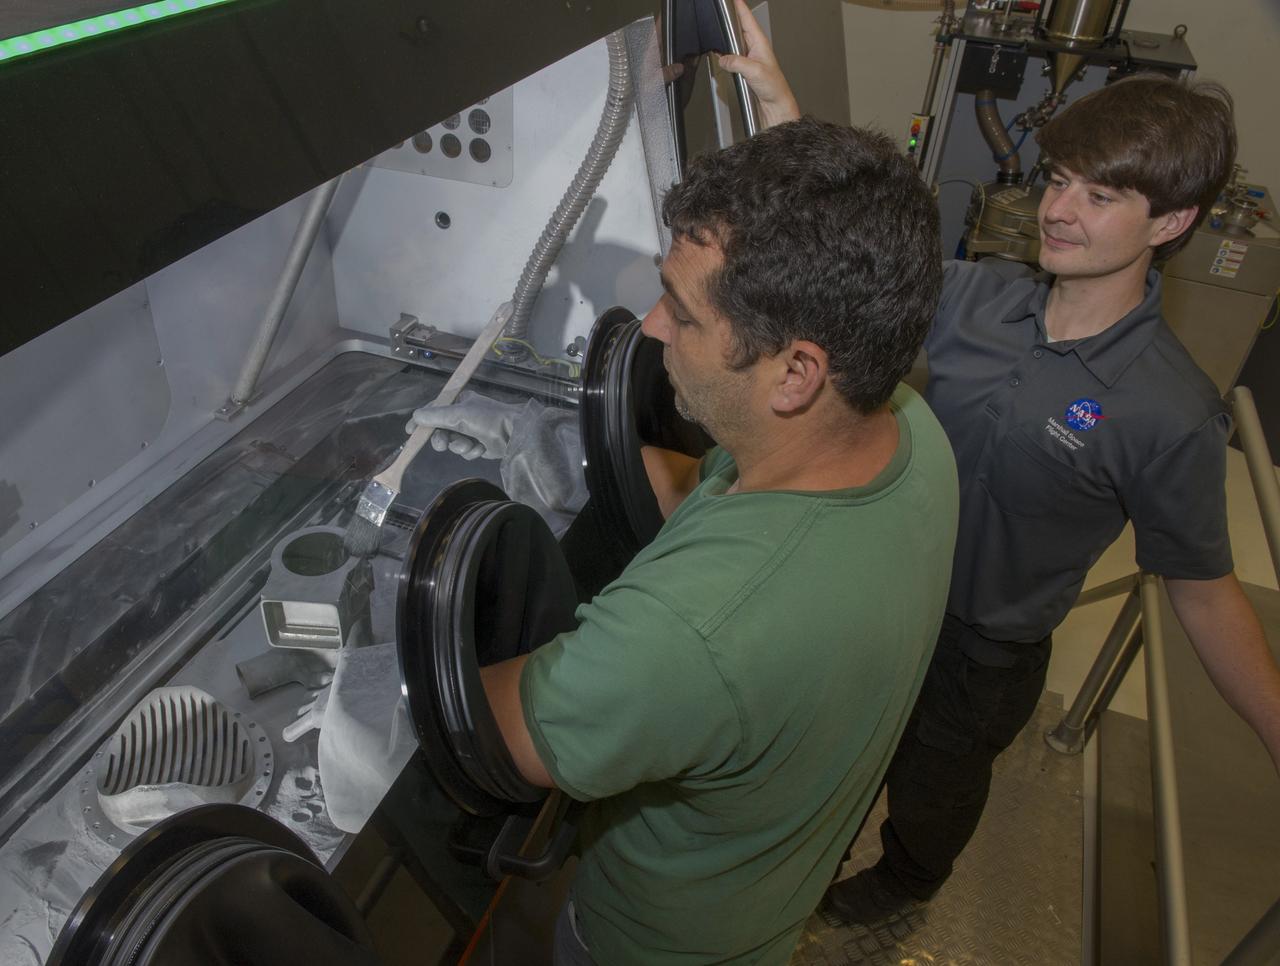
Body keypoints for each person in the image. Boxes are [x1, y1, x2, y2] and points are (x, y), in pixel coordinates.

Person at [720, 3, 1280, 927]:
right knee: (837, 752)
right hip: (877, 594)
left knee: (936, 787)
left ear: (1172, 220)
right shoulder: (972, 295)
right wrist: (784, 106)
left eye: (1100, 197)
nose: (1057, 209)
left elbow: (1203, 587)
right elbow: (856, 245)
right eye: (1060, 179)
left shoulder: (1170, 413)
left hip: (985, 650)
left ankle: (907, 882)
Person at [408, 118, 959, 963]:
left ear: (795, 372)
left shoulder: (690, 635)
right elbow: (716, 501)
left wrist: (386, 620)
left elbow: (493, 725)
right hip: (765, 902)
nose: (656, 327)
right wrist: (550, 443)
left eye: (685, 312)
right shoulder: (911, 437)